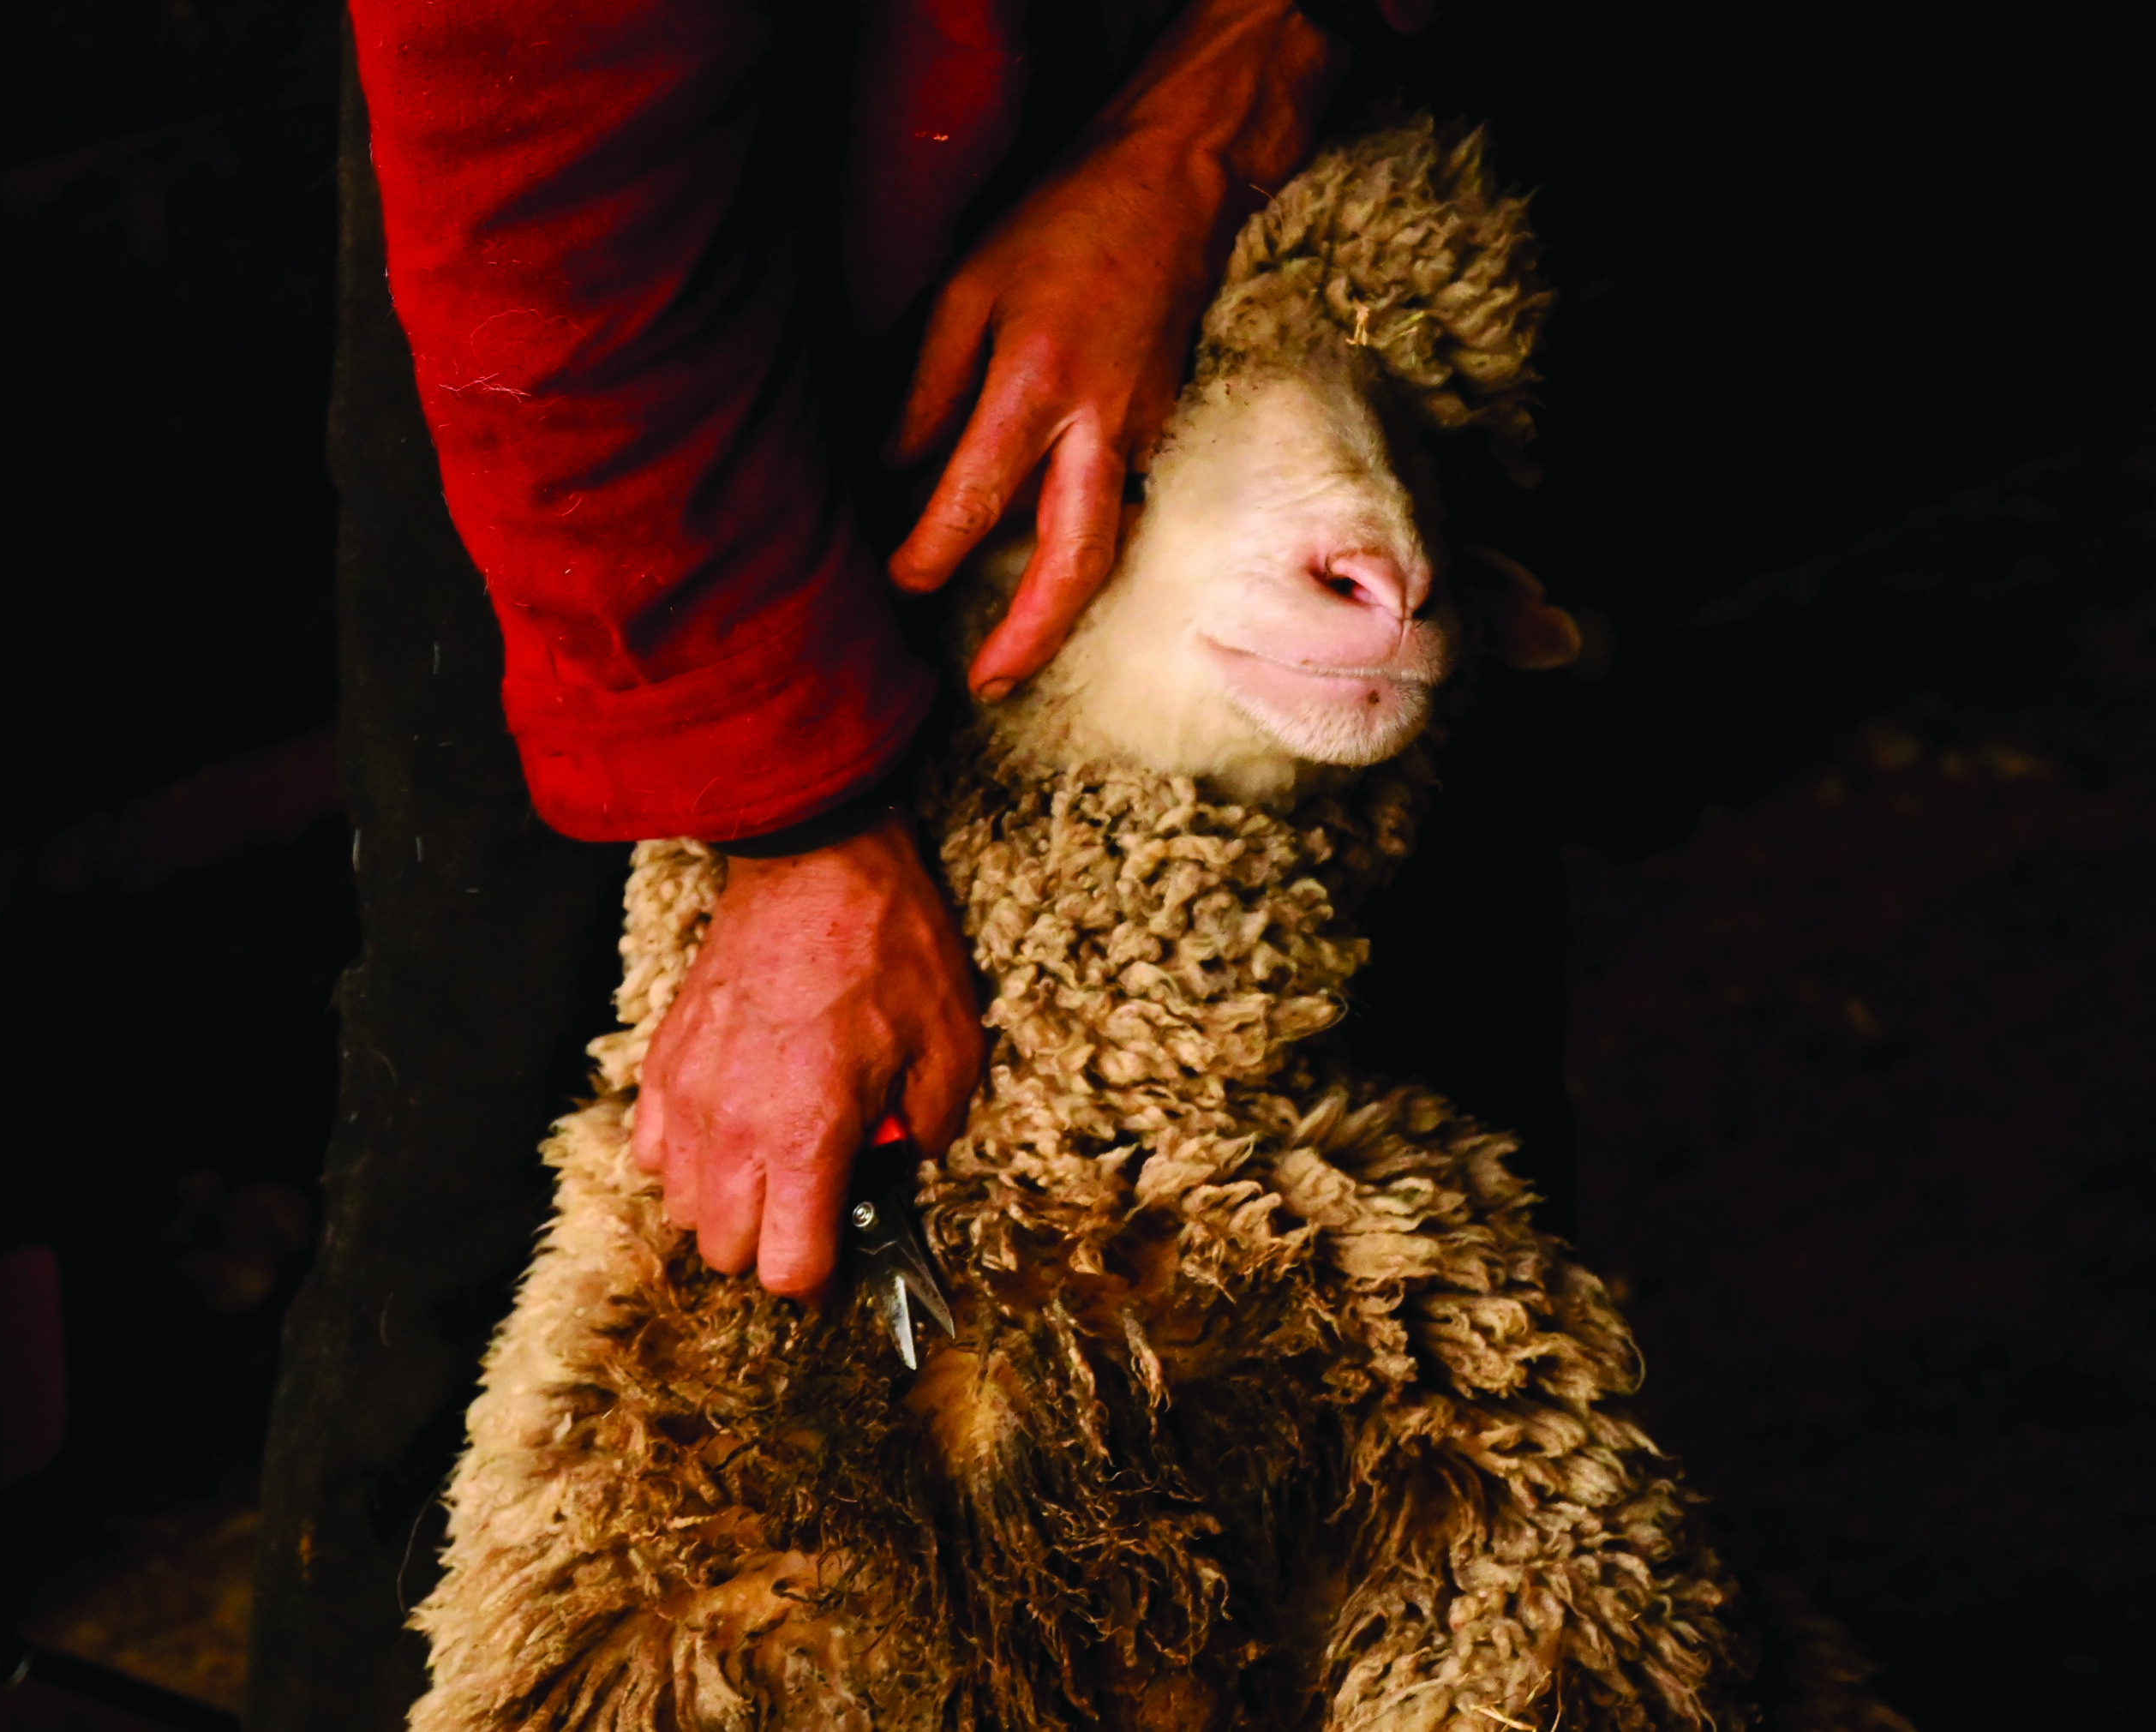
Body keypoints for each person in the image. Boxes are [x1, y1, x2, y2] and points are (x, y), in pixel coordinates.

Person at [255, 8, 1552, 1730]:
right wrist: (787, 830)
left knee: (1372, 1134)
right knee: (549, 1126)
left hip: (1280, 156)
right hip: (640, 221)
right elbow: (536, 144)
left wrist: (1242, 78)